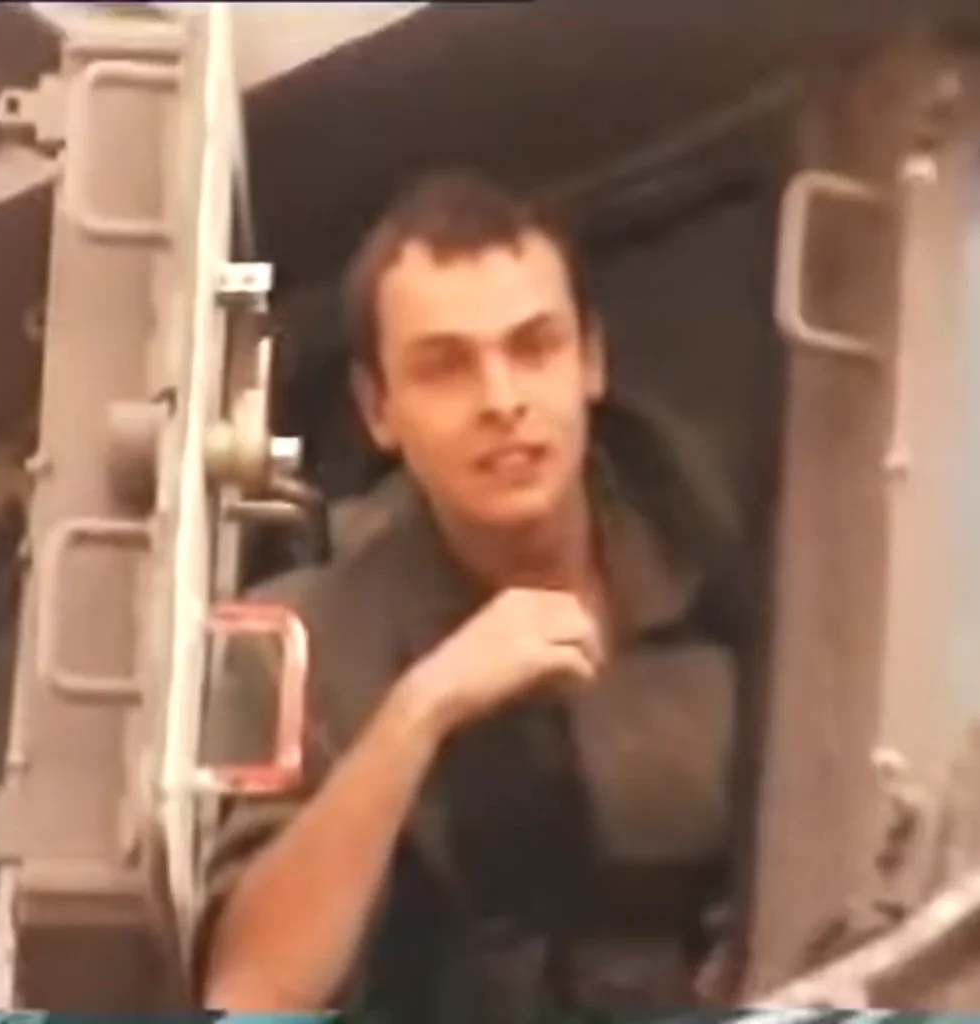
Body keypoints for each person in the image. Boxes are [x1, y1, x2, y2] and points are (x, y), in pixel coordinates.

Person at [193, 170, 750, 1022]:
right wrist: (420, 711)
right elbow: (253, 990)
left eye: (534, 348)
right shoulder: (298, 640)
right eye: (445, 368)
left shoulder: (731, 557)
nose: (502, 401)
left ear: (590, 361)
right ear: (380, 410)